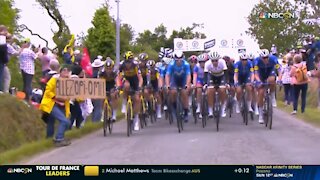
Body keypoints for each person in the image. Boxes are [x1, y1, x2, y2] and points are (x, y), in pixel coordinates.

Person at [40, 65, 71, 146]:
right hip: (51, 104)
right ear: (60, 72)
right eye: (64, 70)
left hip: (61, 105)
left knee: (52, 122)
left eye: (67, 71)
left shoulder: (69, 82)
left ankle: (49, 139)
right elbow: (48, 91)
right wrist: (56, 98)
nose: (66, 72)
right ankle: (59, 139)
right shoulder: (54, 80)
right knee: (64, 121)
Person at [254, 49, 282, 123]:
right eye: (263, 58)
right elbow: (255, 74)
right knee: (260, 93)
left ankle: (272, 96)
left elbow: (279, 70)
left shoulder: (273, 59)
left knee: (272, 80)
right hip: (260, 75)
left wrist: (279, 79)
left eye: (267, 57)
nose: (265, 59)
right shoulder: (257, 61)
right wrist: (259, 81)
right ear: (260, 58)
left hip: (270, 72)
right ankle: (260, 114)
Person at [118, 51, 143, 130]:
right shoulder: (122, 65)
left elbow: (140, 78)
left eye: (129, 62)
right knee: (126, 85)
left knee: (137, 99)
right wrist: (119, 85)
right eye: (126, 62)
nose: (127, 64)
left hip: (135, 81)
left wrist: (139, 87)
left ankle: (136, 119)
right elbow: (118, 76)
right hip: (127, 80)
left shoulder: (135, 65)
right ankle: (124, 103)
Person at [165, 51, 191, 122]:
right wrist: (167, 85)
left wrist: (187, 84)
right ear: (174, 59)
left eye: (180, 59)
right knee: (173, 92)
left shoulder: (186, 64)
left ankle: (186, 112)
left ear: (183, 59)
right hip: (175, 80)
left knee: (184, 93)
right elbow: (167, 75)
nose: (179, 61)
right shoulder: (171, 64)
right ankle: (174, 107)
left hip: (183, 80)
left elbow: (188, 75)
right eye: (177, 59)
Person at [204, 51, 228, 118]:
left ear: (218, 60)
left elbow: (226, 73)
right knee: (210, 91)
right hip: (211, 76)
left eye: (216, 60)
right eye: (213, 61)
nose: (214, 62)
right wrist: (205, 83)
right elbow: (206, 75)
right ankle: (210, 110)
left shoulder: (222, 62)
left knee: (222, 90)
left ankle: (223, 109)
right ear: (210, 60)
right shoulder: (207, 63)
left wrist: (226, 83)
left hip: (221, 76)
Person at [69, 65, 85, 129]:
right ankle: (69, 127)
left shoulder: (72, 77)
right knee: (75, 114)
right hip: (72, 100)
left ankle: (77, 127)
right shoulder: (75, 78)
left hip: (74, 100)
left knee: (78, 114)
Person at [91, 58, 105, 122]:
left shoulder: (91, 73)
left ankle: (93, 120)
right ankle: (96, 121)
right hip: (97, 91)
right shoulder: (100, 73)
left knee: (94, 107)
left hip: (91, 91)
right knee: (98, 107)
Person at [193, 54, 206, 118]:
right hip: (199, 80)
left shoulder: (208, 66)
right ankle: (198, 106)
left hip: (207, 80)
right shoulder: (196, 67)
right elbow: (195, 76)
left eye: (203, 62)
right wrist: (194, 84)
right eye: (200, 62)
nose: (202, 63)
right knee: (198, 90)